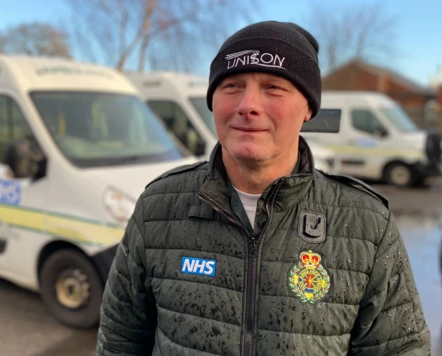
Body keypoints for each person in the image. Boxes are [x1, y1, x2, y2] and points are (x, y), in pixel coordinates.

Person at [95, 21, 431, 355]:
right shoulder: (158, 207)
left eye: (273, 87)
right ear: (213, 101)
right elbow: (119, 340)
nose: (247, 104)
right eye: (232, 86)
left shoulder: (366, 222)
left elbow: (401, 348)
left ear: (308, 108)